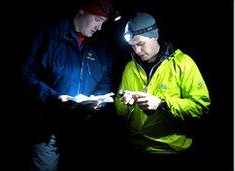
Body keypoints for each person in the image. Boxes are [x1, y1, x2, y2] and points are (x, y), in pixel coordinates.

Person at [21, 0, 120, 170]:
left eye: (103, 22)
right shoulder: (48, 36)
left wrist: (97, 103)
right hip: (48, 130)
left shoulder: (100, 46)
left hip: (83, 130)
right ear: (82, 10)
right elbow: (26, 73)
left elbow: (105, 80)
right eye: (97, 20)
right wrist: (53, 98)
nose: (99, 28)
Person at [115, 12, 211, 169]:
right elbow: (119, 110)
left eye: (140, 43)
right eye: (132, 45)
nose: (137, 50)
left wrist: (162, 104)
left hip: (171, 151)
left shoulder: (183, 63)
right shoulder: (130, 67)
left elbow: (201, 107)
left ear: (154, 36)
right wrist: (126, 102)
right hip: (136, 148)